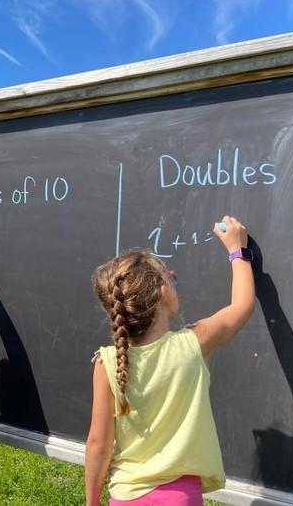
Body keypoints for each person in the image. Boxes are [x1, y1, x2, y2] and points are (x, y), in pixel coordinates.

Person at [84, 215, 255, 506]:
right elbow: (242, 305)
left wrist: (92, 501)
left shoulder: (107, 362)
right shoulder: (194, 341)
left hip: (125, 496)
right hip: (179, 496)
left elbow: (98, 445)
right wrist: (238, 252)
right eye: (171, 278)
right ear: (163, 291)